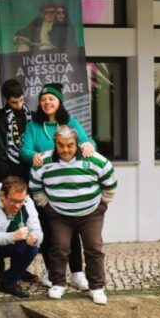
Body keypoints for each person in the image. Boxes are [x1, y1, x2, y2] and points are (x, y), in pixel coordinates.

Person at [29, 125, 117, 305]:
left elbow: (110, 181)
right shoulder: (44, 161)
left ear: (77, 144)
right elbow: (35, 185)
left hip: (91, 213)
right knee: (59, 248)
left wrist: (102, 204)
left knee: (93, 248)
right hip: (59, 215)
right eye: (61, 145)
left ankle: (97, 287)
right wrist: (46, 206)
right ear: (55, 144)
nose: (65, 149)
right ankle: (58, 283)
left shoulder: (93, 159)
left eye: (70, 145)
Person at [21, 85, 96, 291]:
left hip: (69, 185)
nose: (47, 102)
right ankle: (52, 272)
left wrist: (89, 146)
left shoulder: (70, 122)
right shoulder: (32, 125)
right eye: (43, 99)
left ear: (59, 102)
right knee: (48, 229)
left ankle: (78, 274)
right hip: (44, 186)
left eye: (51, 99)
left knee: (72, 229)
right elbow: (25, 149)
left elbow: (87, 141)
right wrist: (32, 155)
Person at [0, 79, 31, 186]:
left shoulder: (28, 112)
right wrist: (7, 175)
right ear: (7, 100)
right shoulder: (2, 116)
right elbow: (0, 148)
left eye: (22, 100)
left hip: (27, 168)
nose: (19, 105)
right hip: (7, 172)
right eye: (14, 102)